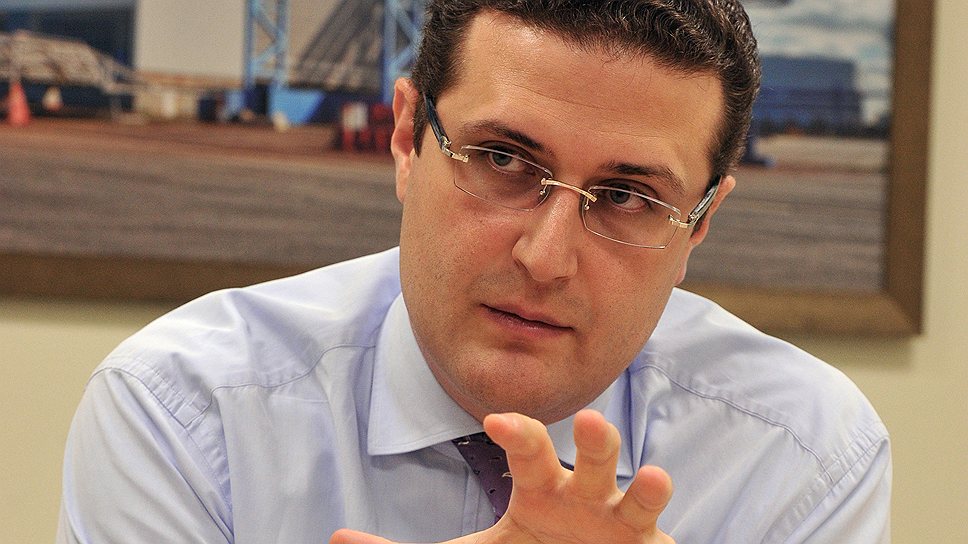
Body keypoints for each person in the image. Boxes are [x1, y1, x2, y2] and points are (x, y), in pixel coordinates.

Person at [56, 1, 891, 543]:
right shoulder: (185, 414)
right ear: (405, 140)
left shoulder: (800, 456)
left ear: (699, 224)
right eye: (502, 159)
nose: (545, 258)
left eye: (628, 197)